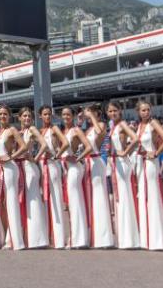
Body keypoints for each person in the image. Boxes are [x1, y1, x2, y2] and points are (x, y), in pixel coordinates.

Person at [134, 101, 163, 251]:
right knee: (144, 197)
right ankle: (146, 238)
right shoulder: (139, 126)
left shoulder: (153, 123)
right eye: (143, 110)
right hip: (141, 162)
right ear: (138, 112)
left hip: (151, 163)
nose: (146, 112)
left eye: (148, 110)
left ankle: (157, 239)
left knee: (153, 196)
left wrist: (155, 152)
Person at [0, 105, 27, 250]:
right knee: (5, 203)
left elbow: (24, 146)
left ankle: (15, 241)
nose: (2, 116)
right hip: (1, 170)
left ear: (9, 115)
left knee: (11, 202)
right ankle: (8, 237)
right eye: (0, 114)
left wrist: (11, 157)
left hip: (10, 168)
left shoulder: (12, 130)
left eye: (5, 114)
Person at [106, 102, 139, 250]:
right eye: (110, 111)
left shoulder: (123, 124)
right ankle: (125, 236)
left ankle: (128, 238)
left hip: (121, 162)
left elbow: (135, 139)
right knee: (121, 198)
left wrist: (125, 152)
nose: (113, 113)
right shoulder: (113, 127)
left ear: (120, 111)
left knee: (124, 196)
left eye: (115, 111)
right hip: (115, 162)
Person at [17, 107, 50, 249]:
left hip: (30, 168)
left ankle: (37, 239)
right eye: (24, 116)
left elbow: (44, 145)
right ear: (19, 118)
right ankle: (29, 237)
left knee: (33, 201)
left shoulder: (32, 130)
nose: (27, 118)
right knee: (26, 202)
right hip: (22, 167)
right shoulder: (20, 132)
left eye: (29, 116)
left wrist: (35, 159)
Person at [60, 107, 92, 249]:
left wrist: (78, 158)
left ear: (72, 116)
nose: (66, 116)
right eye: (64, 114)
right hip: (66, 168)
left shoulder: (76, 130)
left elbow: (88, 147)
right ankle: (77, 238)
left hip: (74, 168)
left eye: (68, 114)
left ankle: (77, 239)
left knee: (75, 201)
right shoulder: (63, 132)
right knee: (72, 202)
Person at [38, 106, 70, 249]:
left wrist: (56, 155)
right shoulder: (40, 131)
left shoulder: (54, 129)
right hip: (42, 166)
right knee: (46, 201)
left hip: (52, 165)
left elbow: (65, 143)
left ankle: (59, 239)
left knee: (56, 200)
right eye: (45, 114)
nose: (47, 117)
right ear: (40, 116)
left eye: (49, 114)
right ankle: (50, 237)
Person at [83, 104, 114, 248]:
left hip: (96, 161)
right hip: (88, 162)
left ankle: (104, 237)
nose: (87, 114)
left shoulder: (100, 124)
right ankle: (94, 235)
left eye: (90, 111)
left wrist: (92, 117)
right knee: (92, 198)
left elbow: (100, 132)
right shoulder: (88, 128)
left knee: (99, 197)